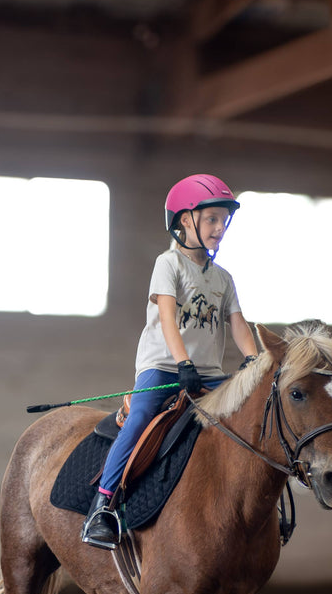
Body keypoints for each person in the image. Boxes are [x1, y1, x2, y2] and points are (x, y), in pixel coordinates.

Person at [81, 174, 260, 550]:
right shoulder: (169, 264)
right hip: (163, 366)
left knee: (252, 418)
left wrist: (255, 361)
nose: (219, 227)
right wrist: (182, 363)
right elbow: (166, 317)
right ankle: (102, 506)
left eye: (223, 221)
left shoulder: (223, 278)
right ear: (185, 220)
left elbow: (239, 324)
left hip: (208, 374)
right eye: (211, 219)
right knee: (140, 418)